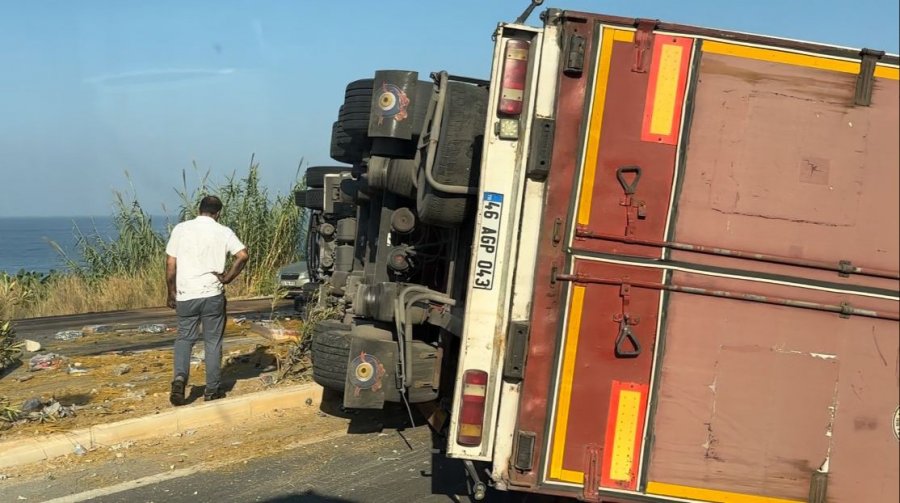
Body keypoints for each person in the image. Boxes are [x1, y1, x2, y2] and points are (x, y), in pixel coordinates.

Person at [165, 195, 249, 406]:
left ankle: (179, 379)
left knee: (185, 338)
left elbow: (171, 264)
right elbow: (243, 255)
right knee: (212, 342)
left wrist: (170, 291)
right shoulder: (224, 231)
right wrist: (228, 277)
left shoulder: (181, 229)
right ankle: (212, 390)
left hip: (186, 295)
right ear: (218, 213)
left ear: (198, 209)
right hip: (212, 294)